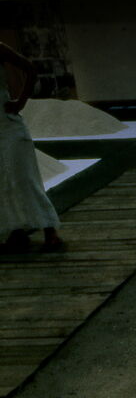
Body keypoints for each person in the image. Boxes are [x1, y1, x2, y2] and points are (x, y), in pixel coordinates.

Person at [0, 40, 64, 254]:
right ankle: (16, 231)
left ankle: (49, 230)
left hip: (7, 124)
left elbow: (30, 68)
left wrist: (21, 102)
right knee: (3, 181)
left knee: (24, 178)